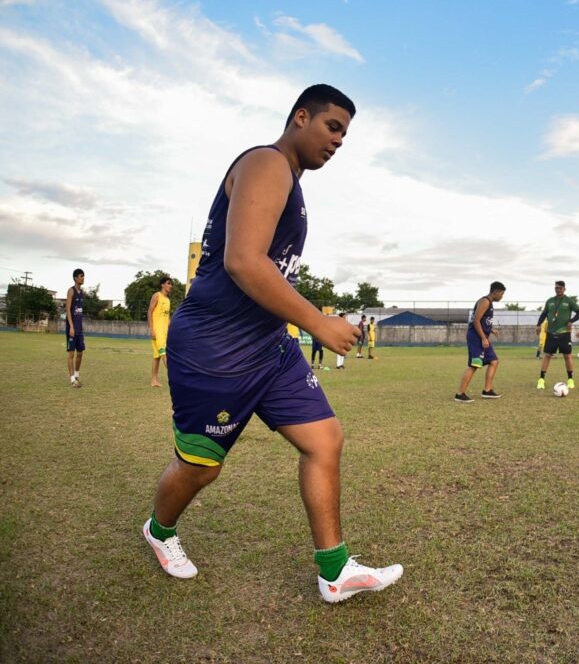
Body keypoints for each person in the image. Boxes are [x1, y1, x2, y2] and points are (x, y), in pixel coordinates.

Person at [142, 84, 401, 603]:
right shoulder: (267, 163)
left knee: (324, 441)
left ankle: (334, 570)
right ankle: (159, 530)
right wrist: (317, 323)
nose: (338, 141)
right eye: (332, 127)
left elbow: (270, 271)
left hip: (268, 347)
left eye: (345, 136)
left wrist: (296, 323)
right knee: (201, 467)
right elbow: (242, 261)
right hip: (215, 348)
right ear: (300, 117)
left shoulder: (292, 184)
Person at [456, 281, 506, 402]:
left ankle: (487, 391)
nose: (502, 296)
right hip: (477, 337)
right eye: (502, 294)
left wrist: (490, 329)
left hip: (483, 336)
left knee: (494, 361)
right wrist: (484, 338)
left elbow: (484, 321)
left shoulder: (490, 303)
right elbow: (476, 321)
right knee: (475, 364)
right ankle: (460, 394)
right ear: (496, 292)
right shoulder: (485, 302)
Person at [535, 281, 579, 391]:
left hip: (564, 333)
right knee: (547, 355)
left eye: (560, 288)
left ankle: (570, 380)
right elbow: (544, 314)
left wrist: (571, 321)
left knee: (567, 356)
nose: (558, 289)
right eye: (556, 288)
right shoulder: (550, 301)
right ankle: (541, 380)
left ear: (564, 289)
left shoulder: (569, 301)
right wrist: (538, 325)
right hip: (551, 333)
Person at [148, 276, 174, 387]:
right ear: (162, 285)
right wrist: (152, 329)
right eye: (168, 283)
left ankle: (153, 381)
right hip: (157, 332)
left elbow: (167, 317)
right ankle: (175, 380)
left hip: (165, 332)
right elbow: (149, 312)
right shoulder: (156, 296)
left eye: (171, 284)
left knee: (157, 357)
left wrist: (171, 329)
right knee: (165, 355)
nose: (170, 286)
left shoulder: (168, 300)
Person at [65, 268, 86, 388]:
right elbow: (68, 310)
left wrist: (80, 327)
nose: (82, 278)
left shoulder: (82, 292)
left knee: (80, 353)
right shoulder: (71, 291)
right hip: (72, 328)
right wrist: (71, 327)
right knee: (71, 354)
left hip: (80, 329)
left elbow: (79, 311)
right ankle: (72, 380)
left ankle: (77, 376)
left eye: (83, 276)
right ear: (75, 278)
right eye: (80, 276)